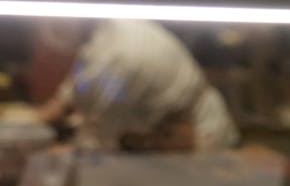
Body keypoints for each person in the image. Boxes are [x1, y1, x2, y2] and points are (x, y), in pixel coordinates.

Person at [34, 19, 239, 152]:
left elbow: (102, 138)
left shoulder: (119, 58)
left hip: (195, 134)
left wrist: (63, 151)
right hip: (156, 133)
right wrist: (59, 103)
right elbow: (84, 73)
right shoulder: (104, 31)